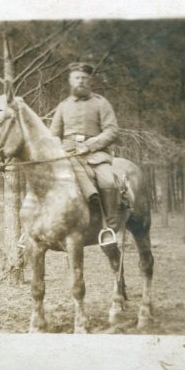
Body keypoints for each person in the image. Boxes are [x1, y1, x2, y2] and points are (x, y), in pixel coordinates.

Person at [50, 62, 121, 244]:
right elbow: (53, 135)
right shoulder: (63, 106)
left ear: (90, 80)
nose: (80, 81)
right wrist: (57, 150)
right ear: (70, 80)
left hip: (95, 156)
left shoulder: (101, 103)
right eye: (76, 78)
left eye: (84, 78)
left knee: (108, 181)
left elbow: (112, 131)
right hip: (67, 155)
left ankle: (110, 228)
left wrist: (90, 145)